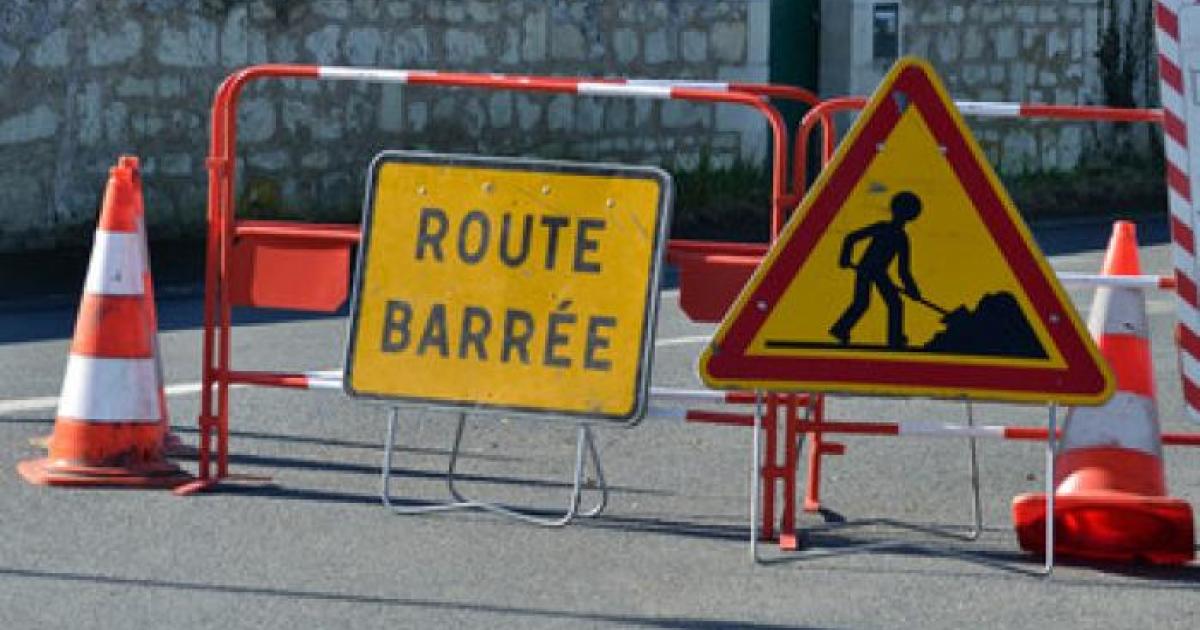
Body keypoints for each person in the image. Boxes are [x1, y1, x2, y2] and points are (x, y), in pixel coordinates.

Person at [829, 191, 923, 349]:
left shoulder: (900, 237)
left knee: (894, 303)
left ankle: (894, 339)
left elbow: (903, 270)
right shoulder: (885, 229)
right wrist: (845, 258)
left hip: (879, 273)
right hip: (866, 269)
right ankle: (841, 329)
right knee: (863, 303)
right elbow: (851, 238)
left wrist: (913, 289)